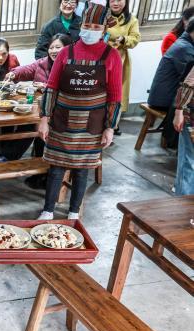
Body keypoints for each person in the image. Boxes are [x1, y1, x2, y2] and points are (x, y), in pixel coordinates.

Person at [37, 0, 122, 221]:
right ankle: (48, 210)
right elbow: (52, 88)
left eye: (96, 28)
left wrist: (110, 128)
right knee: (56, 167)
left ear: (104, 29)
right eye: (87, 26)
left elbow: (114, 96)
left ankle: (74, 212)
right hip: (62, 120)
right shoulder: (66, 52)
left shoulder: (111, 56)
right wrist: (44, 118)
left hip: (92, 123)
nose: (90, 31)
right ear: (81, 24)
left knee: (81, 169)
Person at [6, 34, 72, 189]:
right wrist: (14, 73)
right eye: (51, 47)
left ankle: (44, 175)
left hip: (62, 112)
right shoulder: (43, 63)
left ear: (68, 48)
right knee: (27, 124)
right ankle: (15, 161)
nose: (54, 51)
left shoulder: (72, 66)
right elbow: (27, 69)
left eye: (58, 47)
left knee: (40, 131)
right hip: (42, 109)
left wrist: (47, 87)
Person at [148, 20, 194, 149]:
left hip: (167, 94)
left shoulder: (185, 43)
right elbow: (188, 80)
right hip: (163, 99)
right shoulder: (185, 48)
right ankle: (183, 146)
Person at [106, 0, 140, 134]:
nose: (116, 3)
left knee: (117, 92)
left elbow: (135, 38)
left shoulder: (132, 20)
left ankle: (113, 123)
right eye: (112, 0)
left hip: (120, 59)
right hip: (101, 58)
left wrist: (124, 39)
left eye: (119, 0)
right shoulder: (103, 16)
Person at [172, 67, 194, 194]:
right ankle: (182, 203)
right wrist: (179, 111)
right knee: (188, 162)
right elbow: (188, 84)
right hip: (190, 117)